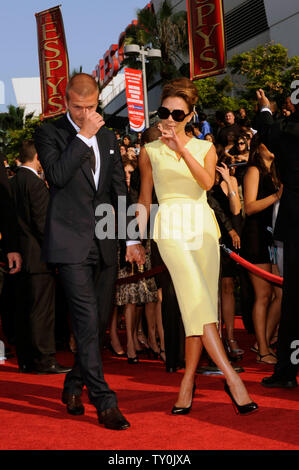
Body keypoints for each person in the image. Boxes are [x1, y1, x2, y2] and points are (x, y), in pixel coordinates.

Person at [138, 77, 258, 415]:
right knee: (196, 300)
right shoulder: (148, 151)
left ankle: (187, 382)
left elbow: (207, 183)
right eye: (165, 112)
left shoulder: (205, 147)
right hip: (170, 229)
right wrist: (135, 239)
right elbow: (145, 199)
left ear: (190, 115)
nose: (170, 119)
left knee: (199, 308)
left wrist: (181, 149)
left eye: (178, 114)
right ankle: (232, 378)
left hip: (203, 228)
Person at [34, 73, 145, 430]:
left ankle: (73, 384)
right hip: (69, 242)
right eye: (78, 108)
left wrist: (130, 238)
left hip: (104, 239)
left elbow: (117, 190)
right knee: (85, 322)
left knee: (96, 323)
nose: (86, 114)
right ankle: (104, 399)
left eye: (91, 107)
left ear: (98, 100)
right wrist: (83, 136)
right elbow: (57, 175)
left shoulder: (110, 135)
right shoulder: (50, 132)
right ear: (66, 102)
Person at [9, 140, 70, 374]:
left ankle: (27, 359)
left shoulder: (14, 182)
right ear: (37, 158)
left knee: (25, 309)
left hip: (21, 256)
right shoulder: (34, 183)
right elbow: (43, 223)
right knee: (42, 310)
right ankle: (45, 358)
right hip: (38, 257)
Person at [256, 89, 299, 388]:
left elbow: (267, 133)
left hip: (296, 222)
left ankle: (287, 372)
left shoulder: (286, 128)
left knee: (294, 304)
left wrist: (265, 108)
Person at [241, 133, 282, 365]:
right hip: (255, 237)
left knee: (280, 294)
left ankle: (262, 341)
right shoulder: (254, 171)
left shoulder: (273, 171)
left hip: (271, 236)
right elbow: (249, 206)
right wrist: (277, 195)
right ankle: (263, 349)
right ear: (258, 147)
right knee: (264, 295)